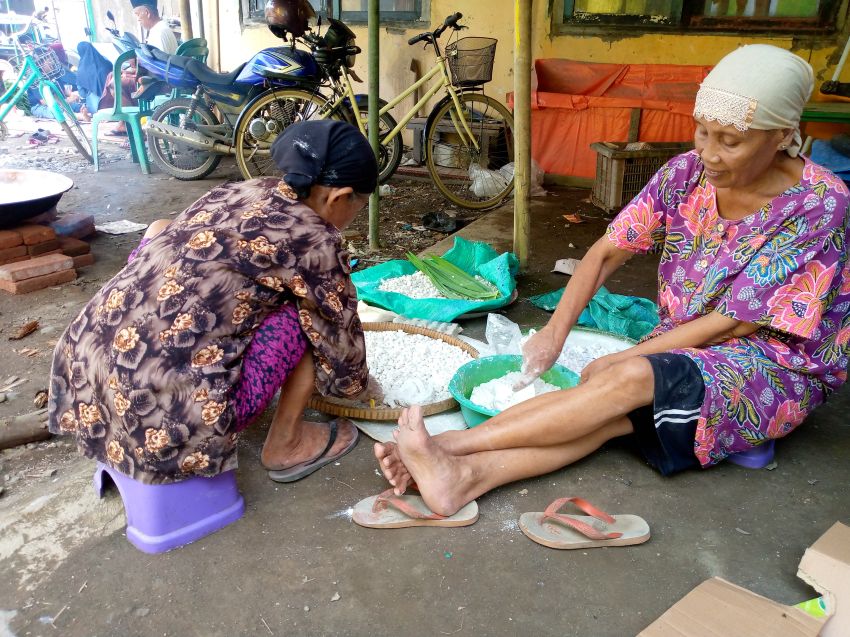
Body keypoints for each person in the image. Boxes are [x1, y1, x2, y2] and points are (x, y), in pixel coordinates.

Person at [375, 44, 850, 517]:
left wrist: (628, 356)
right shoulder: (684, 174)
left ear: (785, 135)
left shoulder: (819, 203)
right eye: (702, 132)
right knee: (606, 414)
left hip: (775, 364)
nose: (709, 153)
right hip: (687, 344)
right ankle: (460, 480)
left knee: (627, 378)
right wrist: (552, 335)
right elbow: (604, 255)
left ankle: (450, 448)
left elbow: (733, 325)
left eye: (731, 141)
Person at [48, 120, 379, 485]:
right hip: (164, 415)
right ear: (339, 196)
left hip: (84, 366)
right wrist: (357, 387)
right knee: (308, 316)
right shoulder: (317, 241)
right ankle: (287, 444)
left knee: (162, 228)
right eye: (359, 204)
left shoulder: (237, 191)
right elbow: (339, 338)